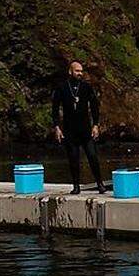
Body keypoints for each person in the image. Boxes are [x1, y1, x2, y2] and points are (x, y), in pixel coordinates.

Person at [51, 61, 105, 194]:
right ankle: (76, 185)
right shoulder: (62, 87)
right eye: (77, 71)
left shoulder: (86, 87)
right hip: (70, 129)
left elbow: (94, 106)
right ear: (70, 71)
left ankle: (100, 183)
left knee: (92, 156)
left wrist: (96, 125)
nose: (80, 73)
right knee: (73, 158)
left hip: (85, 129)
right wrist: (57, 126)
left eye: (81, 71)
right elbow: (55, 108)